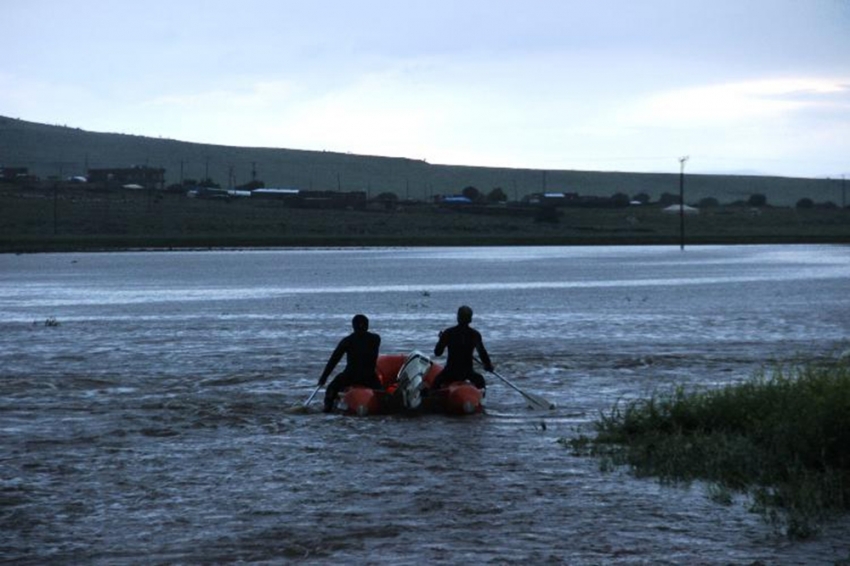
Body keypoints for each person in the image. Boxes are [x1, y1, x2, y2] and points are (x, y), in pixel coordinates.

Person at [318, 314, 382, 412]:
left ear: (353, 326)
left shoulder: (347, 341)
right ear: (367, 326)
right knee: (381, 392)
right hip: (369, 376)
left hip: (351, 375)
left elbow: (334, 360)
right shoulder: (376, 339)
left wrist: (323, 378)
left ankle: (327, 408)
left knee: (332, 387)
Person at [432, 305, 493, 391]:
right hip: (467, 373)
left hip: (450, 372)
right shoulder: (475, 335)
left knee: (434, 385)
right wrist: (488, 365)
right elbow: (482, 354)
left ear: (458, 318)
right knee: (480, 381)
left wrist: (441, 340)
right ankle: (479, 399)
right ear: (470, 319)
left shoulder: (448, 333)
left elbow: (437, 353)